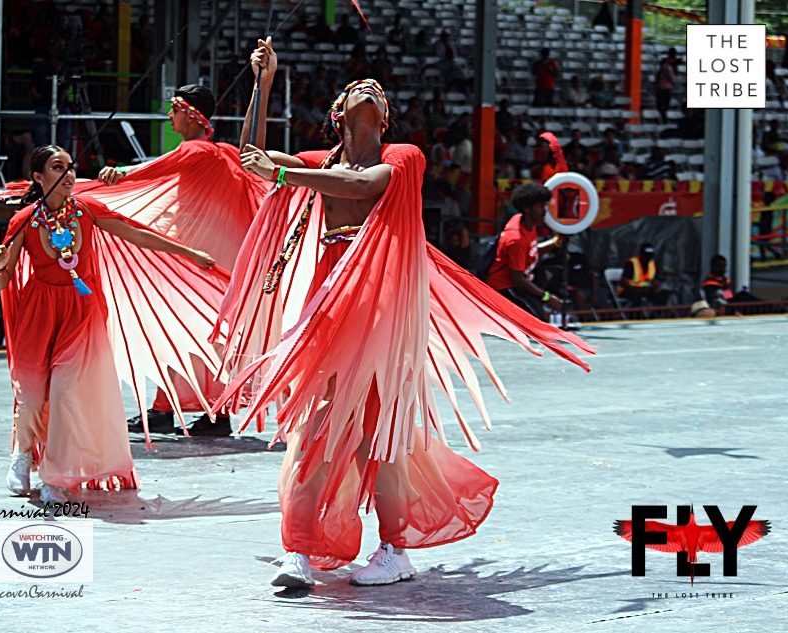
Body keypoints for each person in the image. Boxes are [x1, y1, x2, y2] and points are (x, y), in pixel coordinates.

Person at [222, 38, 592, 589]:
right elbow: (252, 162)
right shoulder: (317, 163)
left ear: (385, 118)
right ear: (337, 114)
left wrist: (285, 176)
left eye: (377, 92)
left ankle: (395, 550)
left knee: (382, 433)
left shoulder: (403, 157)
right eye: (355, 89)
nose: (368, 88)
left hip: (383, 306)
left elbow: (362, 184)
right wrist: (264, 84)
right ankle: (300, 549)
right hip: (330, 298)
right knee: (320, 422)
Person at [0, 145, 218, 503]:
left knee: (66, 393)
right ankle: (22, 454)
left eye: (70, 167)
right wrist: (0, 264)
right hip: (39, 312)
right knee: (32, 396)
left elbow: (138, 234)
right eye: (56, 167)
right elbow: (3, 283)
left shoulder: (86, 211)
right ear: (38, 177)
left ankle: (54, 475)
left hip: (81, 312)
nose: (67, 175)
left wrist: (190, 253)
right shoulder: (24, 220)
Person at [93, 84, 268, 436]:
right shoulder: (222, 153)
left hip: (201, 259)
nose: (169, 116)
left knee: (194, 332)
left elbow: (155, 167)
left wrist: (120, 174)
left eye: (173, 110)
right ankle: (167, 408)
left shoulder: (200, 151)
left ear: (189, 113)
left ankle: (214, 414)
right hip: (201, 254)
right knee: (183, 330)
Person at [484, 182, 563, 319]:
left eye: (544, 205)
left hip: (521, 282)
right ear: (527, 209)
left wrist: (555, 243)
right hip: (505, 288)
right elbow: (517, 280)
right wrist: (547, 297)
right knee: (538, 323)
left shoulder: (525, 222)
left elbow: (531, 252)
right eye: (539, 207)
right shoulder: (516, 238)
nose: (544, 211)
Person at [654, 59, 675, 123]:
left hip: (667, 90)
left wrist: (668, 74)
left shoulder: (669, 73)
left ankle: (665, 119)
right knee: (660, 106)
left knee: (666, 106)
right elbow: (656, 81)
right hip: (660, 89)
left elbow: (672, 81)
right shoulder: (659, 73)